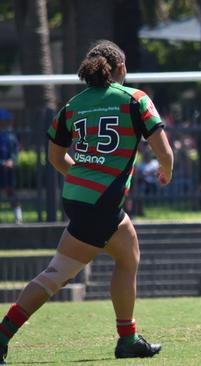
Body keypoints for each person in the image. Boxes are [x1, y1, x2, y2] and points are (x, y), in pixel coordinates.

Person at [0, 40, 173, 364]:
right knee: (59, 275)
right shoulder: (135, 99)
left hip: (78, 197)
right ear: (120, 69)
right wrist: (166, 171)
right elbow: (163, 151)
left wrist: (80, 177)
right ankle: (4, 333)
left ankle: (127, 338)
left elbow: (55, 156)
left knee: (124, 253)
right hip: (101, 202)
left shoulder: (73, 105)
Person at [0, 110, 22, 224]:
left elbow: (15, 152)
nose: (5, 124)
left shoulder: (11, 136)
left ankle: (18, 217)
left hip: (9, 170)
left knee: (11, 192)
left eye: (6, 121)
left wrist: (11, 161)